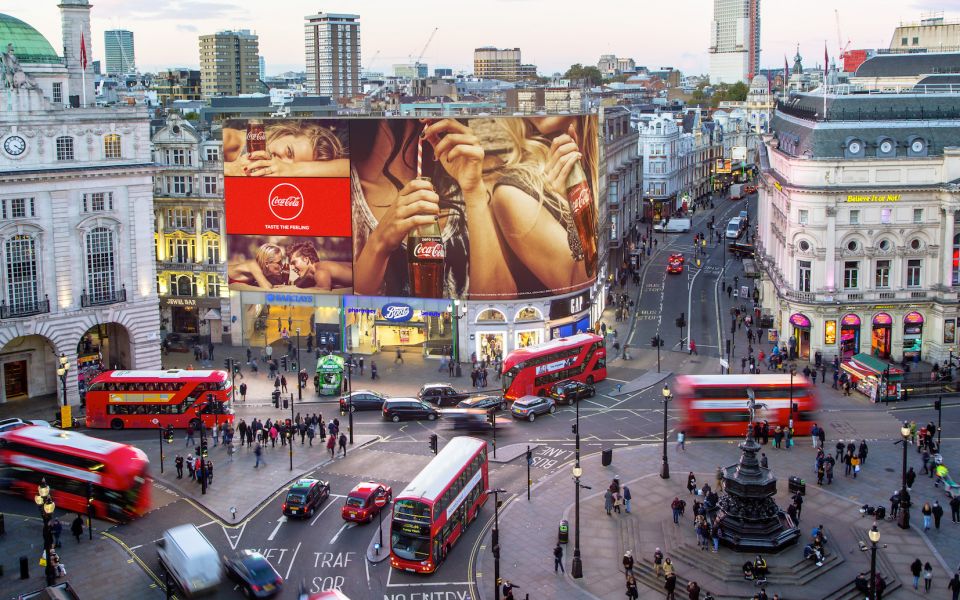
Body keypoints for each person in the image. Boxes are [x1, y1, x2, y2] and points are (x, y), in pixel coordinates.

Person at [224, 119, 349, 178]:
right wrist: (230, 169)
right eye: (289, 152)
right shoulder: (232, 141)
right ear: (285, 133)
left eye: (299, 165)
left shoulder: (287, 172)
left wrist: (293, 170)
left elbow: (350, 169)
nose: (281, 164)